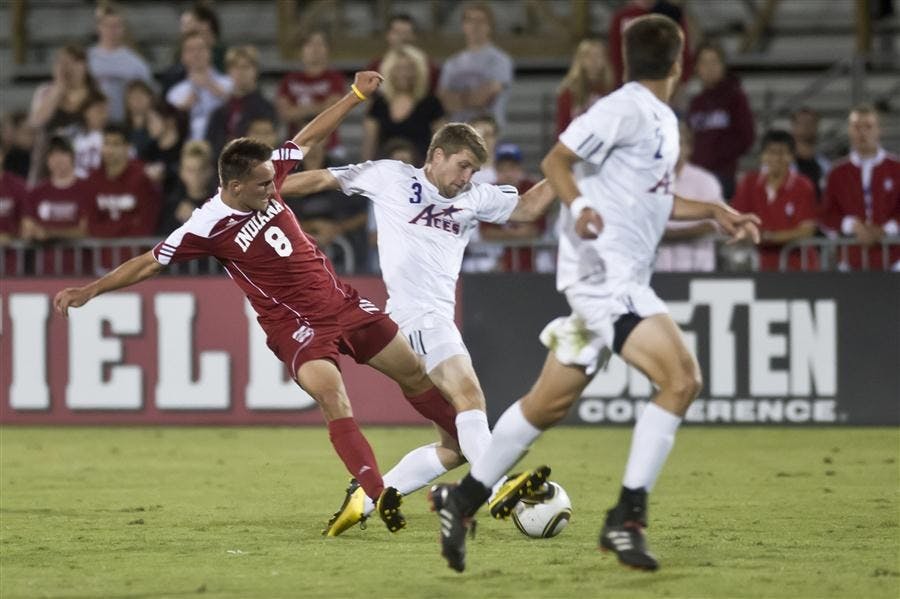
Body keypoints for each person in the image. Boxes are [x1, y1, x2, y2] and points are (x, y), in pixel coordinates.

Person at [54, 72, 459, 536]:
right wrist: (89, 290)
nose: (275, 188)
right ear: (235, 186)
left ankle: (476, 452)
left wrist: (356, 95)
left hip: (343, 304)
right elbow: (149, 263)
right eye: (264, 184)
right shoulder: (206, 225)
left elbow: (308, 136)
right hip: (298, 328)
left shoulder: (268, 174)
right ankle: (372, 488)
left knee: (414, 375)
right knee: (334, 396)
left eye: (273, 179)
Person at [427, 15, 761, 574]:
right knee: (681, 379)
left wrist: (713, 213)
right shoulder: (623, 108)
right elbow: (557, 160)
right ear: (680, 61)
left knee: (544, 406)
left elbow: (655, 200)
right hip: (603, 279)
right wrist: (579, 208)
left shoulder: (656, 117)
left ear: (629, 58)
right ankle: (626, 518)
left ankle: (461, 501)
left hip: (620, 278)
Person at [280, 121, 557, 534]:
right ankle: (497, 487)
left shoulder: (475, 197)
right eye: (462, 166)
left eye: (473, 171)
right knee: (469, 397)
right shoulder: (391, 176)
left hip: (437, 318)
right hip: (415, 316)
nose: (466, 178)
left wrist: (573, 167)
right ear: (437, 156)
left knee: (456, 446)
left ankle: (369, 495)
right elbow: (322, 178)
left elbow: (531, 208)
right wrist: (264, 189)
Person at [820, 104, 900, 270]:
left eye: (868, 127)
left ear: (879, 130)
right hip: (850, 260)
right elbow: (826, 214)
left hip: (895, 258)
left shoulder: (896, 168)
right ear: (849, 131)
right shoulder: (836, 173)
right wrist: (852, 225)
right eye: (857, 127)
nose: (862, 133)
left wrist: (885, 230)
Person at [731, 130, 819, 271]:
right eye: (771, 152)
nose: (776, 158)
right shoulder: (748, 183)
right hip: (759, 267)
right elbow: (737, 221)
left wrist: (768, 237)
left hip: (799, 268)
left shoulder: (803, 185)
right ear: (762, 156)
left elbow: (806, 230)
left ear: (791, 157)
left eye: (782, 152)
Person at [686, 42, 755, 199]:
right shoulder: (696, 103)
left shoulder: (736, 97)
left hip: (723, 176)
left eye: (714, 62)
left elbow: (747, 137)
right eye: (704, 62)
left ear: (723, 66)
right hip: (696, 174)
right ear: (697, 68)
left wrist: (717, 157)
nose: (709, 68)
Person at [654, 122, 723, 272]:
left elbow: (714, 224)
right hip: (656, 270)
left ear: (689, 148)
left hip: (698, 270)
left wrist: (668, 235)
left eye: (679, 142)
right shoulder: (649, 181)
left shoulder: (706, 181)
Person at [21, 136, 93, 274]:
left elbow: (86, 230)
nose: (57, 159)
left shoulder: (87, 189)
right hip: (42, 272)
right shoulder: (36, 193)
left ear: (72, 157)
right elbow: (27, 229)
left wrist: (48, 233)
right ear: (47, 160)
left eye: (62, 153)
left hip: (80, 272)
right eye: (52, 154)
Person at [361, 44, 445, 163]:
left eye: (410, 68)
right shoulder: (379, 104)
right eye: (399, 68)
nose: (404, 73)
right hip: (385, 170)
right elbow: (369, 145)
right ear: (390, 71)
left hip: (420, 169)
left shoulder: (431, 103)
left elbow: (441, 143)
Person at [437, 2, 513, 128]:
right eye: (470, 20)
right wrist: (472, 96)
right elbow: (444, 100)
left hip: (488, 132)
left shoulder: (500, 60)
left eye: (481, 21)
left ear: (490, 26)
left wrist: (459, 98)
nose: (475, 26)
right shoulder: (452, 63)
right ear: (463, 26)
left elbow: (484, 97)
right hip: (458, 132)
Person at [275, 30, 346, 155]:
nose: (315, 49)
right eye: (310, 44)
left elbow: (334, 110)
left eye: (320, 44)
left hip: (329, 147)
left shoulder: (335, 78)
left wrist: (298, 110)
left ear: (327, 49)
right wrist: (320, 107)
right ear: (302, 50)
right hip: (294, 146)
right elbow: (284, 113)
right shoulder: (289, 79)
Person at [87, 3, 154, 124]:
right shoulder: (86, 60)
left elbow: (148, 98)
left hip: (125, 125)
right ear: (98, 27)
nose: (112, 31)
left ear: (123, 28)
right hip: (92, 124)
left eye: (116, 26)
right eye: (107, 26)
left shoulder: (136, 63)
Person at [205, 45, 276, 158]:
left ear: (256, 70)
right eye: (235, 67)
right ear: (228, 71)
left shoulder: (266, 108)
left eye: (246, 67)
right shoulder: (219, 112)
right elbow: (211, 144)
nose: (240, 72)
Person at [607, 0, 692, 88]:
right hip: (629, 84)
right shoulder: (622, 16)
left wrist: (680, 82)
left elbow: (683, 51)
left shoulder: (672, 13)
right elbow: (615, 55)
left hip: (667, 84)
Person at [166, 31, 233, 141]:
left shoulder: (229, 84)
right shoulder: (175, 93)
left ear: (210, 52)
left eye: (201, 48)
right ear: (182, 57)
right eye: (190, 50)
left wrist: (211, 86)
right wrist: (182, 111)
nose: (196, 54)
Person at [366, 14, 441, 91]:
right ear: (388, 35)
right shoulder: (375, 67)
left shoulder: (430, 67)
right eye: (397, 33)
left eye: (406, 33)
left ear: (414, 36)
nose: (402, 38)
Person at [556, 38, 614, 136]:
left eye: (598, 56)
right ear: (580, 60)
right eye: (588, 56)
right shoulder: (568, 92)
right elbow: (563, 130)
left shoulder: (612, 91)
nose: (593, 61)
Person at [157, 140, 216, 234]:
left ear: (210, 171)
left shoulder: (221, 204)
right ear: (182, 172)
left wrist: (196, 220)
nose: (196, 175)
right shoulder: (171, 206)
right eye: (190, 170)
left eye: (201, 169)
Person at [790, 106, 830, 200]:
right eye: (802, 122)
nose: (806, 126)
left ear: (817, 127)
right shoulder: (780, 165)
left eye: (811, 123)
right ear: (793, 127)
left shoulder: (826, 166)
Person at [72, 93, 109, 178]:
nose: (104, 116)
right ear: (86, 112)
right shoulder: (73, 138)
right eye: (100, 111)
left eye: (106, 111)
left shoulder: (114, 139)